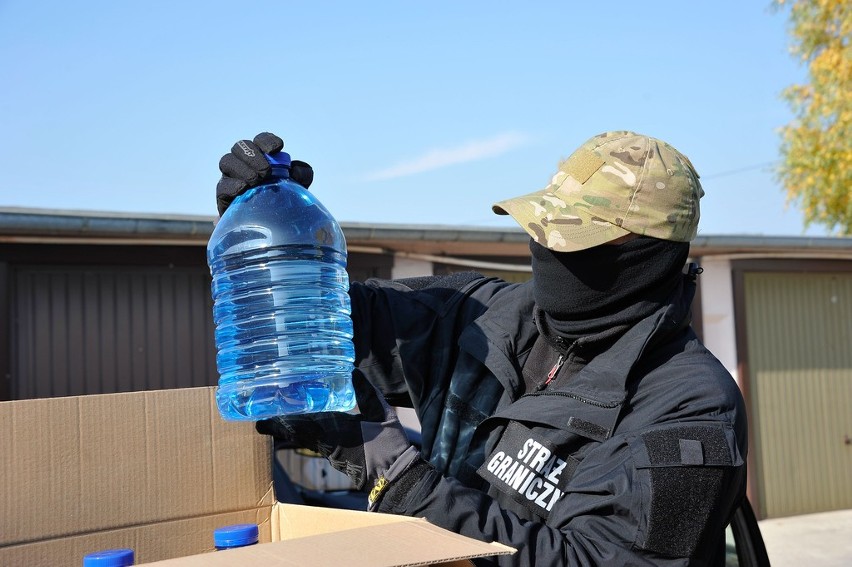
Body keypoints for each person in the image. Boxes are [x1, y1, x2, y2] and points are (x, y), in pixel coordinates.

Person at [215, 131, 748, 566]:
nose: (549, 250)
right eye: (544, 227)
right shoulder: (484, 312)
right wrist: (267, 230)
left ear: (650, 258)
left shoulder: (689, 409)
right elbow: (325, 320)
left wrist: (399, 479)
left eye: (573, 236)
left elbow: (592, 560)